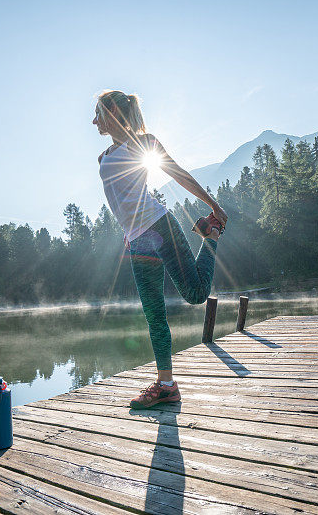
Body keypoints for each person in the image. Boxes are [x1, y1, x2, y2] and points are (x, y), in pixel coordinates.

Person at [93, 90, 228, 409]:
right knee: (154, 313)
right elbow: (117, 199)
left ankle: (211, 237)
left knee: (195, 295)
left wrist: (213, 205)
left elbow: (178, 173)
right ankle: (166, 384)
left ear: (112, 110)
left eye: (97, 112)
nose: (94, 120)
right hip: (136, 240)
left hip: (160, 226)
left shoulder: (143, 143)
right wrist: (127, 232)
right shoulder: (103, 157)